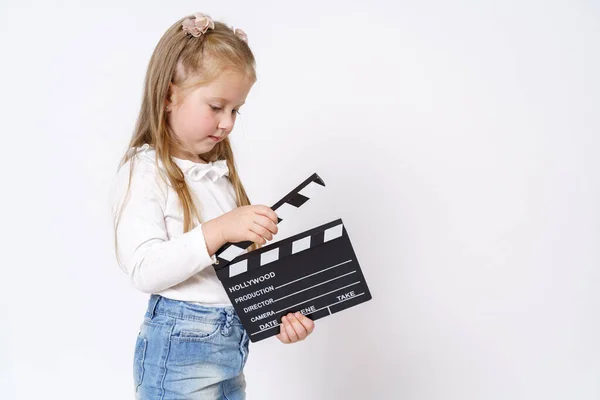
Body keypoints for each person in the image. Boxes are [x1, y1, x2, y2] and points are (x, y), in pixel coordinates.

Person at [109, 12, 315, 399]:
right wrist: (219, 230)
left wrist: (280, 315)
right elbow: (143, 270)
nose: (227, 124)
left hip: (231, 349)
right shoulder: (145, 170)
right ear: (170, 94)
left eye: (236, 110)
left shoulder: (217, 174)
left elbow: (232, 275)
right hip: (179, 348)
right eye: (216, 106)